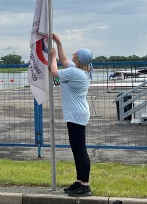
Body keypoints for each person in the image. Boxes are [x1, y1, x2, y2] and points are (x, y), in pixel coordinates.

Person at [49, 33, 93, 197]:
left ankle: (85, 185)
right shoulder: (79, 70)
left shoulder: (76, 73)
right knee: (76, 149)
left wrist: (52, 56)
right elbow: (64, 60)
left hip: (76, 115)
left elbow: (55, 71)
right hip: (76, 114)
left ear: (80, 59)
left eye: (76, 53)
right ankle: (79, 181)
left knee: (80, 149)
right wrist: (59, 43)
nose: (73, 53)